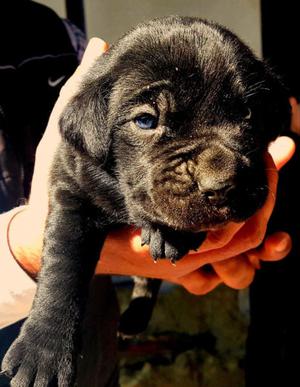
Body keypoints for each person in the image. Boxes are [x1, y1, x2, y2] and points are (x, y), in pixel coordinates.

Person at [0, 38, 295, 385]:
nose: (217, 172)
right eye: (147, 119)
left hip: (94, 363)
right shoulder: (88, 151)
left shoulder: (56, 35)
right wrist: (49, 330)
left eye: (243, 115)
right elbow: (72, 211)